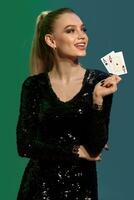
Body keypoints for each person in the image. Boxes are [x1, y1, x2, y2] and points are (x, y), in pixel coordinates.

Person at [16, 7, 121, 200]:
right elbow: (25, 145)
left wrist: (97, 100)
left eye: (83, 29)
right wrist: (74, 150)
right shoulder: (34, 85)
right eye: (71, 30)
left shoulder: (99, 81)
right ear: (51, 40)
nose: (81, 36)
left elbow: (95, 148)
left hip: (82, 189)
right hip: (38, 188)